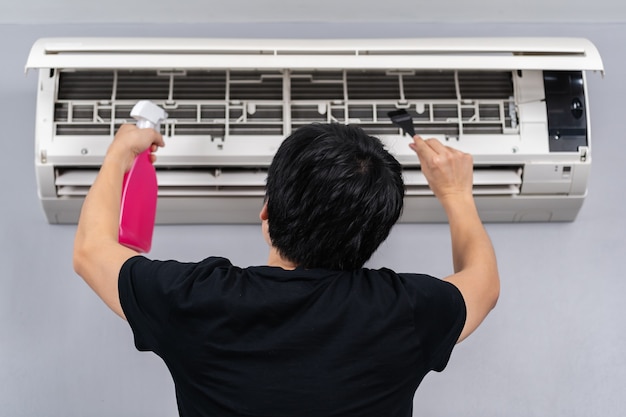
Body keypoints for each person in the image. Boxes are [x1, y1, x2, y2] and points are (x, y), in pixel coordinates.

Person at [73, 122, 499, 417]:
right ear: (372, 239)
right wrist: (456, 193)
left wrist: (119, 155)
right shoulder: (405, 311)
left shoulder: (197, 299)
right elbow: (484, 283)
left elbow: (91, 250)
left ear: (267, 212)